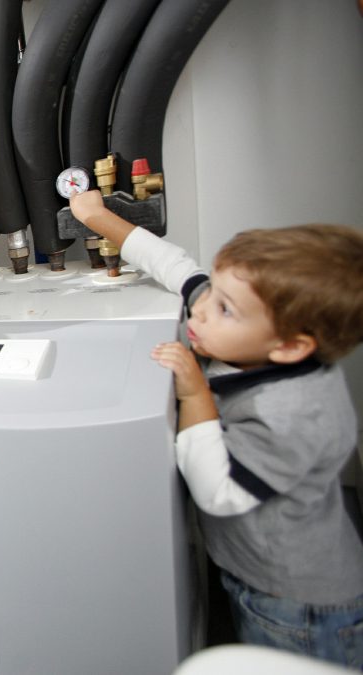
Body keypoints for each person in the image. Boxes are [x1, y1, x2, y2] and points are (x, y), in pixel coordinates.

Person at [71, 190, 363, 669]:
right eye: (213, 295)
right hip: (253, 570)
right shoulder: (245, 328)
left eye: (225, 309)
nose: (201, 310)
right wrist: (98, 217)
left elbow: (218, 493)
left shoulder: (294, 414)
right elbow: (177, 267)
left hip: (295, 604)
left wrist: (195, 396)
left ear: (290, 347)